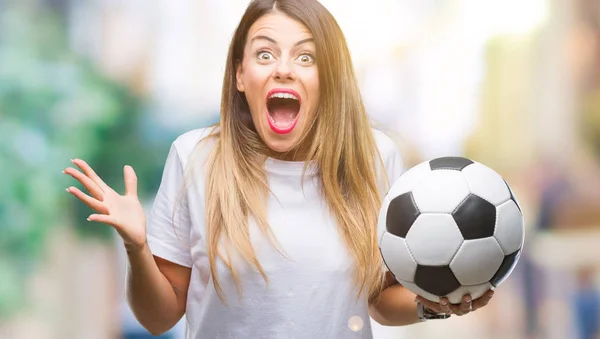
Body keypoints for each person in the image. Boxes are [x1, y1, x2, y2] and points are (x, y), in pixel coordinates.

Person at [63, 0, 494, 337]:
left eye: (306, 57)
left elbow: (379, 300)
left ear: (330, 78)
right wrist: (138, 249)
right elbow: (158, 319)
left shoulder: (376, 158)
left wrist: (432, 305)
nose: (284, 68)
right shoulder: (195, 157)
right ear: (239, 75)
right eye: (265, 54)